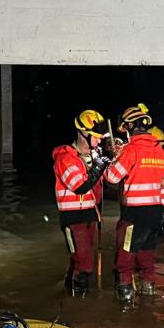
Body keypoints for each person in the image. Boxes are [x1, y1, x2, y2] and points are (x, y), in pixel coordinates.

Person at [105, 104, 164, 301]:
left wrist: (114, 161)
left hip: (134, 213)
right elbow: (163, 176)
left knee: (126, 254)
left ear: (131, 127)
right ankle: (148, 290)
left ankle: (125, 296)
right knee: (147, 253)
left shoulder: (131, 149)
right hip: (156, 213)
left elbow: (111, 178)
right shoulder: (160, 151)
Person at [52, 110, 110, 297]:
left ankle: (70, 295)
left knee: (79, 259)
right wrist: (99, 167)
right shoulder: (65, 158)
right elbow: (80, 187)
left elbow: (104, 185)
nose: (99, 141)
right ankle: (79, 302)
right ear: (84, 134)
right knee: (85, 262)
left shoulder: (93, 156)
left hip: (89, 214)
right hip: (72, 217)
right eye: (96, 137)